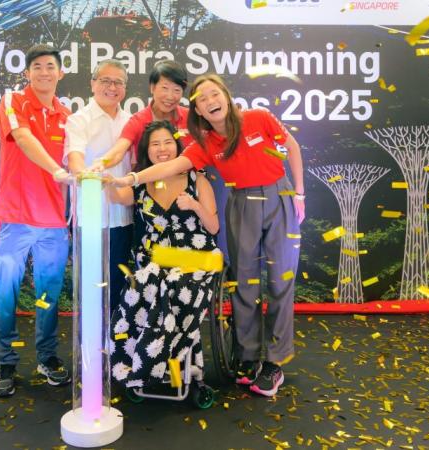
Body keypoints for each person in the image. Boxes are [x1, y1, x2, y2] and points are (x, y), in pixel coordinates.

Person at [112, 74, 306, 397]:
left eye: (214, 94)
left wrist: (299, 193)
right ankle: (247, 357)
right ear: (198, 111)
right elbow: (169, 167)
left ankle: (274, 363)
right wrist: (132, 177)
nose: (210, 102)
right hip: (242, 204)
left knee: (280, 281)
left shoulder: (258, 117)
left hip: (280, 197)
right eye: (202, 99)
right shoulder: (204, 144)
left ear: (226, 97)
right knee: (244, 282)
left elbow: (293, 147)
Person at [106, 120, 220, 391]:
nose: (162, 148)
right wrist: (106, 176)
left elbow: (213, 227)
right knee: (142, 284)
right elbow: (116, 197)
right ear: (148, 151)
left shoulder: (197, 179)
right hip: (156, 260)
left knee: (172, 285)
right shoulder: (143, 184)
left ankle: (164, 365)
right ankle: (136, 367)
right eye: (155, 144)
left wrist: (193, 205)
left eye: (167, 142)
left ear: (178, 145)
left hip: (196, 257)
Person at [0, 44, 73, 397]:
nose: (43, 72)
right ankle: (5, 360)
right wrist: (55, 168)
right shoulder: (14, 102)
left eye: (49, 66)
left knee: (46, 295)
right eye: (36, 66)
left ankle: (46, 356)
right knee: (7, 292)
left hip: (53, 223)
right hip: (16, 217)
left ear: (60, 73)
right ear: (27, 73)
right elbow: (22, 138)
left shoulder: (67, 116)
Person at [64, 59, 133, 315]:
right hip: (91, 218)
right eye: (105, 80)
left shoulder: (131, 121)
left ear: (125, 88)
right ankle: (91, 352)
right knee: (92, 290)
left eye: (118, 82)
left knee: (119, 287)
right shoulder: (79, 120)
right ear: (93, 83)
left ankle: (117, 348)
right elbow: (75, 158)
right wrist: (87, 174)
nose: (112, 87)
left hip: (123, 218)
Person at [92, 60, 192, 171]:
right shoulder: (137, 121)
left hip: (188, 184)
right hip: (149, 184)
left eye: (177, 90)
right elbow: (118, 151)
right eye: (165, 88)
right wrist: (101, 163)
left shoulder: (191, 118)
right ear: (152, 88)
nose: (170, 96)